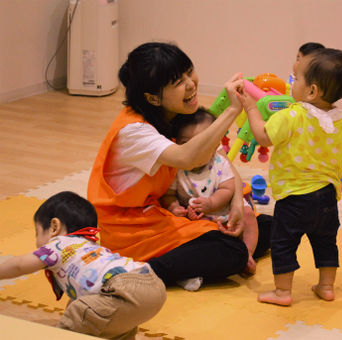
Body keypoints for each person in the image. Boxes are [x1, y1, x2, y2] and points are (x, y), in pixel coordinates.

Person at [87, 42, 271, 292]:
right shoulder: (134, 131)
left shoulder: (176, 114)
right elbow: (188, 157)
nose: (191, 83)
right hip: (130, 230)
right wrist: (232, 111)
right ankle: (142, 272)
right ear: (152, 98)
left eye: (188, 71)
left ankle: (192, 263)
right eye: (177, 82)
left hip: (169, 213)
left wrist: (238, 203)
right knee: (233, 251)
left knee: (270, 227)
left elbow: (221, 160)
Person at [238, 47, 342, 306]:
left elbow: (263, 136)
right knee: (326, 242)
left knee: (283, 243)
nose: (291, 82)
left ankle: (283, 292)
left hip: (294, 199)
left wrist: (252, 110)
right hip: (326, 199)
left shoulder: (291, 115)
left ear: (311, 91)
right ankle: (326, 286)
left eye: (295, 78)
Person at [0, 191, 166, 340]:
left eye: (38, 233)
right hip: (153, 285)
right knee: (101, 318)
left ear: (54, 227)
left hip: (123, 287)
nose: (37, 242)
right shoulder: (88, 246)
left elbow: (20, 265)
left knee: (78, 315)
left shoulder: (58, 244)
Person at [160, 107, 259, 274]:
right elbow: (168, 194)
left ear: (215, 145)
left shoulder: (219, 162)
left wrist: (212, 203)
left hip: (226, 211)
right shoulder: (176, 168)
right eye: (186, 144)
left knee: (249, 216)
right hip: (197, 220)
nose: (196, 150)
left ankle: (247, 254)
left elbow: (228, 188)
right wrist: (174, 207)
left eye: (202, 144)